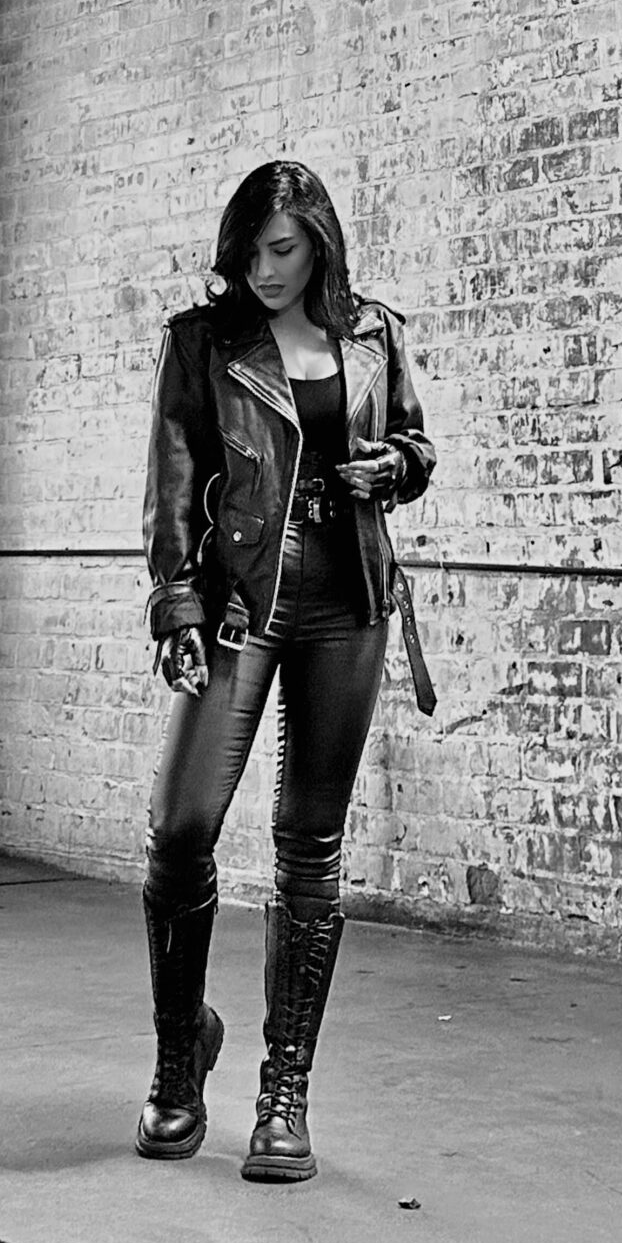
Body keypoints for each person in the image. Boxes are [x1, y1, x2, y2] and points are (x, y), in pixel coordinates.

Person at [137, 159, 436, 1183]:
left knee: (310, 844)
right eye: (251, 251)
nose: (264, 270)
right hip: (238, 600)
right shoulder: (202, 340)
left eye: (284, 250)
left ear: (319, 245)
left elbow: (417, 445)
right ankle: (180, 1057)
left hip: (349, 600)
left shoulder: (373, 332)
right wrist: (175, 603)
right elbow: (174, 477)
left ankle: (284, 1092)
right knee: (181, 828)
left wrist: (393, 466)